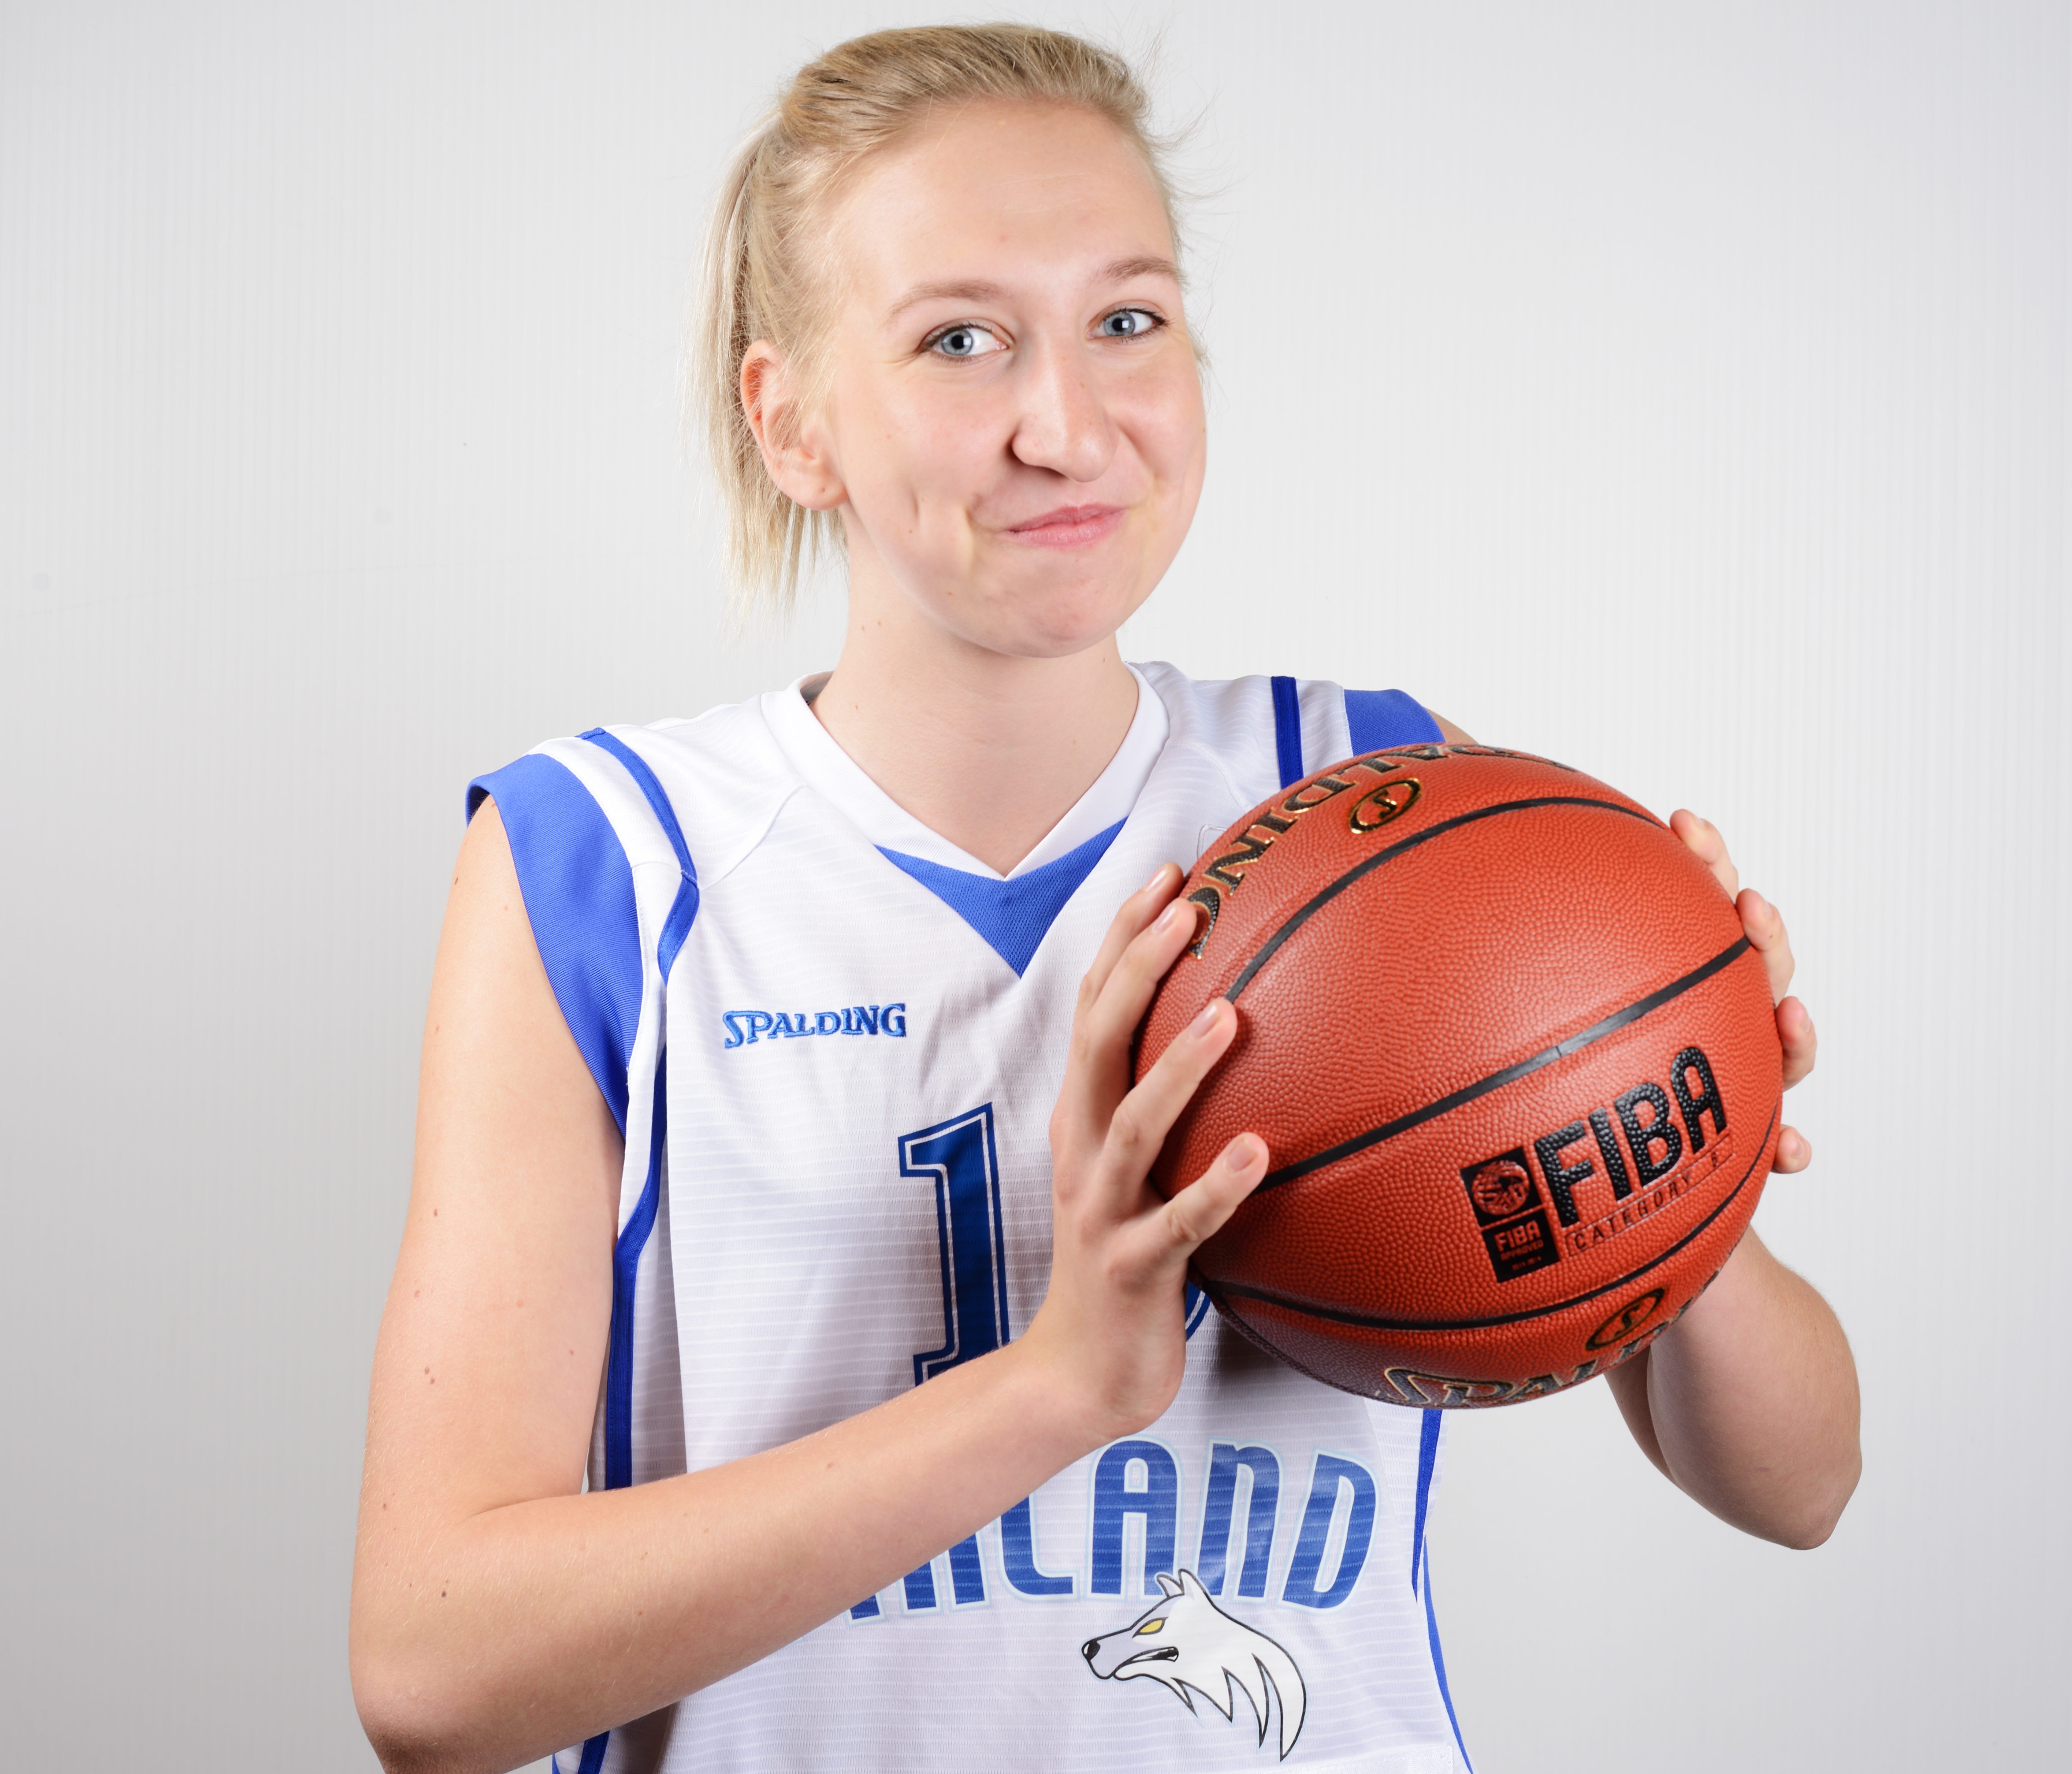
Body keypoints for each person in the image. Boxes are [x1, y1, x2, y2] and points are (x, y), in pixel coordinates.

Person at [349, 25, 1860, 1774]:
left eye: (1126, 320)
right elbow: (431, 1675)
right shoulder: (604, 862)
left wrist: (1671, 1115)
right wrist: (1054, 1390)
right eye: (959, 340)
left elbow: (1802, 1488)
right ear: (790, 421)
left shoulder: (1375, 796)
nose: (1065, 428)